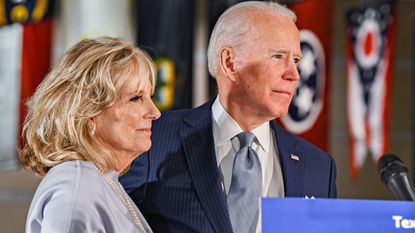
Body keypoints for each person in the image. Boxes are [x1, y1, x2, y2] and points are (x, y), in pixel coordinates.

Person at [120, 1, 337, 233]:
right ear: (230, 62)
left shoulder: (319, 167)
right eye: (277, 56)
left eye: (295, 60)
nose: (294, 74)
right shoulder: (152, 139)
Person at [18, 37, 160, 233]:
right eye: (135, 98)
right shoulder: (77, 189)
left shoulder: (99, 179)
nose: (155, 112)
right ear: (88, 112)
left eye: (149, 96)